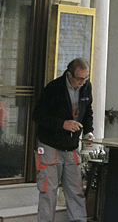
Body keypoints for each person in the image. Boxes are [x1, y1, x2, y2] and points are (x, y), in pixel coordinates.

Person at [32, 58, 94, 222]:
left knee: (75, 189)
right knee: (49, 190)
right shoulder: (54, 88)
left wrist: (88, 132)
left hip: (72, 147)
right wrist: (63, 124)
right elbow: (37, 115)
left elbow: (88, 112)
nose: (82, 82)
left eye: (85, 78)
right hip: (50, 146)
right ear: (69, 74)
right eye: (79, 79)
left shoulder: (86, 87)